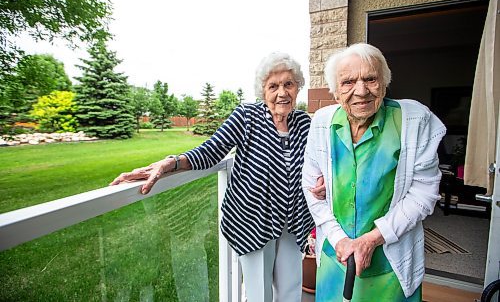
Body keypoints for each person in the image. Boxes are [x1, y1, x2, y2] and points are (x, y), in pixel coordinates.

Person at [111, 52, 323, 302]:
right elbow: (211, 150)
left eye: (288, 84)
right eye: (273, 86)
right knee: (259, 293)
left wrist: (321, 182)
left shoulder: (303, 123)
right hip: (254, 220)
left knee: (290, 290)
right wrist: (171, 163)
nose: (282, 93)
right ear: (263, 91)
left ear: (298, 87)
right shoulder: (247, 116)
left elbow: (317, 163)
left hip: (292, 221)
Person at [302, 43, 447, 301]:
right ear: (335, 92)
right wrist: (340, 240)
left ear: (384, 83)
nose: (361, 91)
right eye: (348, 82)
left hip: (390, 265)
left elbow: (424, 193)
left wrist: (371, 240)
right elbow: (311, 187)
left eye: (370, 78)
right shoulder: (322, 123)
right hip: (336, 258)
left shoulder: (412, 121)